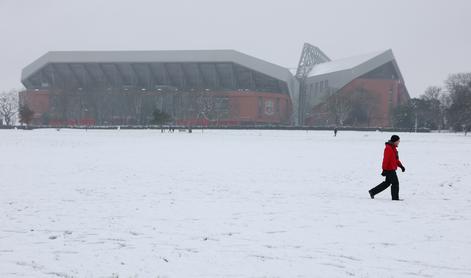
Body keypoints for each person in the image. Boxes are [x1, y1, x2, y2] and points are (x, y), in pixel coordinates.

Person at [368, 135, 405, 201]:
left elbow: (396, 160)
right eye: (398, 141)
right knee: (395, 183)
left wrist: (401, 166)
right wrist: (384, 169)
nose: (399, 142)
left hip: (391, 168)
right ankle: (395, 198)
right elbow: (386, 160)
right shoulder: (388, 148)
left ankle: (373, 192)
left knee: (387, 183)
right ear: (395, 141)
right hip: (389, 169)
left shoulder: (393, 148)